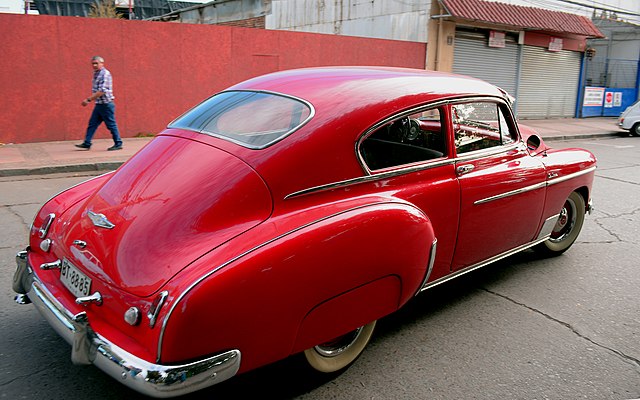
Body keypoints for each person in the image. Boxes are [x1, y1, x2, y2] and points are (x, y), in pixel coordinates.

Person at [75, 56, 123, 151]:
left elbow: (102, 91)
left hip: (106, 104)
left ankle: (118, 143)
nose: (95, 65)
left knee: (111, 125)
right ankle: (87, 143)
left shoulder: (105, 74)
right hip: (99, 104)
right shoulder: (96, 73)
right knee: (92, 124)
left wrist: (88, 99)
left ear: (102, 63)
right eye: (93, 63)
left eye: (97, 63)